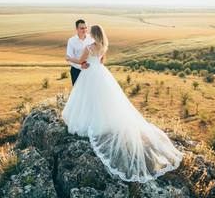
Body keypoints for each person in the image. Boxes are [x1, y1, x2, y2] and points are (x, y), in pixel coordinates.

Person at [62, 25, 183, 183]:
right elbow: (103, 60)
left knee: (89, 98)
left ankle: (90, 119)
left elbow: (80, 61)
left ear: (93, 34)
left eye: (90, 31)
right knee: (105, 98)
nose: (89, 33)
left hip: (90, 73)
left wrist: (68, 59)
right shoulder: (103, 46)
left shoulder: (89, 47)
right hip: (101, 72)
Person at [66, 19, 95, 86]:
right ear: (76, 29)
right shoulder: (71, 41)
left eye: (86, 28)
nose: (84, 30)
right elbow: (69, 58)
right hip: (76, 70)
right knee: (77, 93)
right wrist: (80, 66)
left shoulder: (91, 38)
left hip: (90, 68)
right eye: (82, 28)